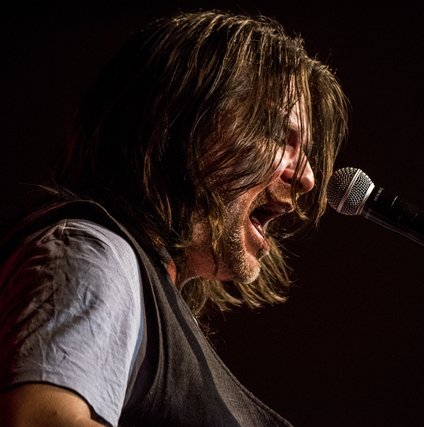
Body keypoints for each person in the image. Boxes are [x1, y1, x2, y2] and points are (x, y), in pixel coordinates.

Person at [0, 9, 348, 427]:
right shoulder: (94, 252)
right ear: (178, 124)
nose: (308, 177)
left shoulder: (147, 296)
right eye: (276, 133)